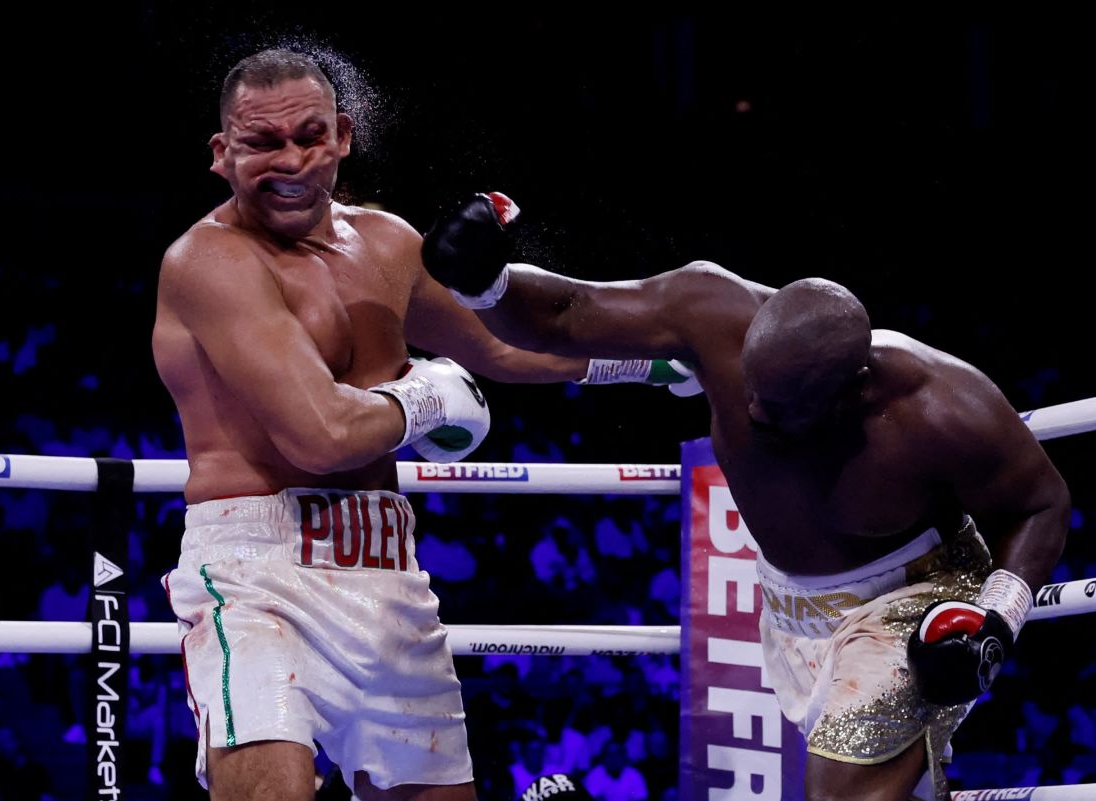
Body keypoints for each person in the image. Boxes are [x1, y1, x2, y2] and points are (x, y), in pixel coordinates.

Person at [420, 193, 1071, 801]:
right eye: (749, 389)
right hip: (791, 613)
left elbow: (1040, 503)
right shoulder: (712, 313)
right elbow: (566, 314)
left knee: (842, 785)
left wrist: (995, 621)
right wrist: (486, 283)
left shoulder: (940, 406)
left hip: (911, 597)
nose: (753, 411)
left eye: (780, 407)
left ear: (856, 392)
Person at [150, 48, 653, 801]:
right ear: (223, 155)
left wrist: (654, 362)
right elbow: (317, 434)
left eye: (310, 135)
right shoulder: (208, 261)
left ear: (344, 135)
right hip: (258, 571)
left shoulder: (386, 243)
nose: (291, 159)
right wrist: (429, 396)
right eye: (262, 143)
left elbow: (504, 344)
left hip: (385, 566)